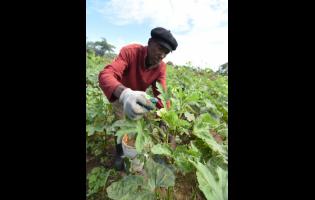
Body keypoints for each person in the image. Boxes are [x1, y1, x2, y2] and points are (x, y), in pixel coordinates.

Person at [98, 27, 178, 170]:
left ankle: (136, 151)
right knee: (122, 124)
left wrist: (166, 119)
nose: (161, 55)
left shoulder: (161, 67)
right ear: (149, 43)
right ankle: (120, 154)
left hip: (139, 97)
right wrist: (125, 94)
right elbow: (106, 75)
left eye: (166, 53)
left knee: (140, 125)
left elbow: (162, 93)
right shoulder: (130, 52)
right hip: (120, 94)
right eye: (160, 48)